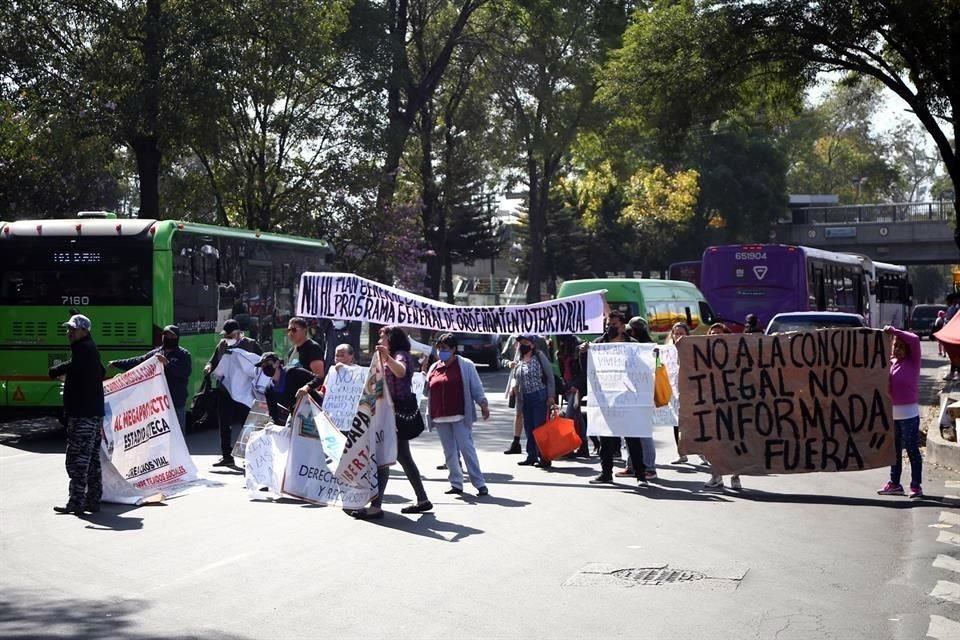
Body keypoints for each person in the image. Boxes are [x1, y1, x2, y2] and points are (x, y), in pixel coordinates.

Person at [352, 326, 432, 519]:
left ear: (392, 339)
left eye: (383, 336)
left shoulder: (401, 356)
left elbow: (401, 372)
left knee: (383, 457)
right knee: (403, 457)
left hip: (395, 415)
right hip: (388, 414)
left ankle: (376, 506)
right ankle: (422, 499)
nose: (380, 338)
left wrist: (386, 358)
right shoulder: (390, 356)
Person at [582, 311, 647, 486]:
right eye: (608, 325)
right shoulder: (598, 344)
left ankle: (640, 474)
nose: (610, 328)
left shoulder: (633, 345)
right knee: (606, 439)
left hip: (628, 398)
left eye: (614, 325)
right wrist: (583, 353)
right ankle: (606, 473)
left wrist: (654, 356)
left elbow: (647, 369)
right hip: (606, 399)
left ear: (622, 326)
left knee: (633, 437)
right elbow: (587, 370)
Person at [49, 314, 105, 515]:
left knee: (77, 460)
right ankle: (93, 500)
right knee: (91, 459)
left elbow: (74, 367)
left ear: (84, 331)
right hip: (91, 412)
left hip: (83, 414)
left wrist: (56, 370)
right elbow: (102, 370)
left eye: (73, 329)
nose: (69, 333)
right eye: (68, 329)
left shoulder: (84, 350)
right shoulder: (88, 349)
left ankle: (77, 502)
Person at [425, 333, 491, 497]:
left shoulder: (466, 365)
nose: (441, 352)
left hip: (460, 415)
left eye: (445, 348)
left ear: (454, 349)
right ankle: (456, 483)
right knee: (449, 452)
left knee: (467, 449)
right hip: (440, 416)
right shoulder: (434, 367)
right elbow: (427, 392)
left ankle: (479, 483)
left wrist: (483, 403)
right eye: (439, 348)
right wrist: (424, 376)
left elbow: (476, 386)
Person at [109, 325, 192, 433]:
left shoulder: (183, 355)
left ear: (177, 338)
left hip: (176, 402)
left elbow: (185, 372)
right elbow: (138, 362)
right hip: (158, 404)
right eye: (165, 335)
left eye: (171, 335)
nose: (167, 337)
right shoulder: (156, 354)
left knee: (178, 433)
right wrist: (116, 363)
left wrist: (167, 364)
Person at [204, 319, 263, 467]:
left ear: (238, 334)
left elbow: (262, 362)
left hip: (245, 391)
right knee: (224, 423)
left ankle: (250, 456)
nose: (227, 339)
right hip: (225, 390)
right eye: (226, 335)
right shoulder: (222, 345)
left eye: (230, 336)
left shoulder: (250, 344)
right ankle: (226, 455)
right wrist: (209, 366)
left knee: (247, 424)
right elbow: (213, 361)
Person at [878, 325, 923, 498]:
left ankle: (916, 486)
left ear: (907, 349)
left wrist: (894, 331)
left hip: (909, 415)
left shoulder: (914, 362)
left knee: (912, 450)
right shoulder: (891, 364)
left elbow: (915, 339)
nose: (897, 350)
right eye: (895, 346)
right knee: (894, 451)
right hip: (893, 415)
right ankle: (894, 483)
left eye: (900, 347)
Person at [703, 322, 742, 491]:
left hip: (731, 404)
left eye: (719, 333)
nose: (715, 336)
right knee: (713, 443)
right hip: (710, 404)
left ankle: (735, 476)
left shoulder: (734, 355)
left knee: (732, 442)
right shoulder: (701, 355)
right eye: (712, 333)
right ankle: (716, 476)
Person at [511, 334, 556, 468]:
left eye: (525, 342)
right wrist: (514, 384)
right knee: (529, 428)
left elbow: (550, 377)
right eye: (520, 343)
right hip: (524, 398)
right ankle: (531, 456)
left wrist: (551, 396)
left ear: (532, 344)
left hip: (539, 396)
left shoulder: (539, 356)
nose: (522, 345)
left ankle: (544, 457)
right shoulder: (519, 359)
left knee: (539, 428)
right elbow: (515, 375)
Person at [254, 353, 321, 425]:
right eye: (262, 366)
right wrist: (271, 423)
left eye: (267, 363)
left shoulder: (292, 373)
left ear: (277, 363)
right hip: (300, 418)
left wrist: (307, 387)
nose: (265, 367)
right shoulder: (269, 390)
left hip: (317, 410)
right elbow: (273, 413)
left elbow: (318, 379)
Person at [557, 334, 589, 457]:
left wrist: (577, 386)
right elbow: (563, 371)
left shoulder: (578, 351)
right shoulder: (561, 351)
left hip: (577, 387)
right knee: (577, 416)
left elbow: (584, 372)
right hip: (568, 385)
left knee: (569, 416)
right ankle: (583, 446)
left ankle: (569, 447)